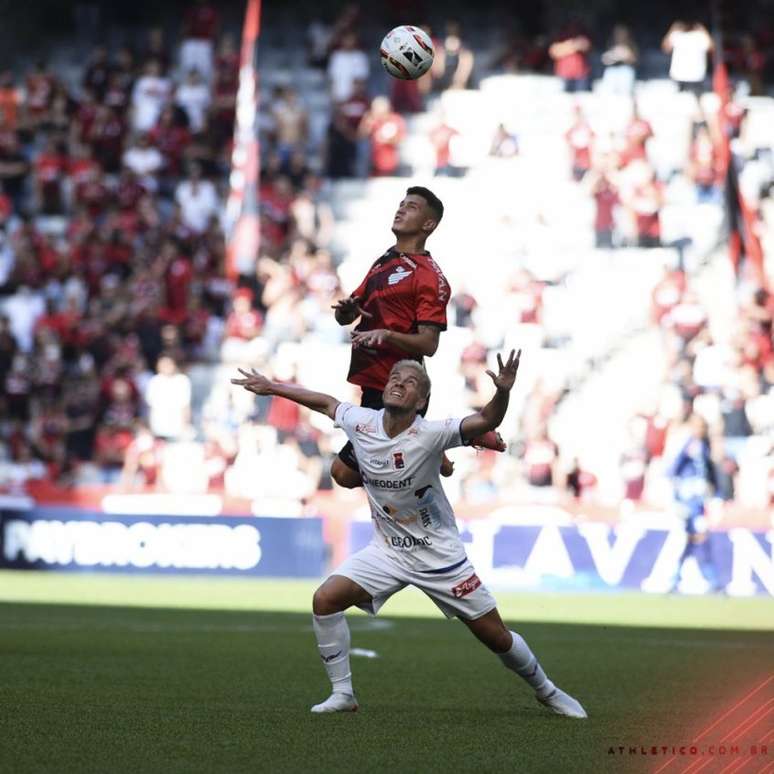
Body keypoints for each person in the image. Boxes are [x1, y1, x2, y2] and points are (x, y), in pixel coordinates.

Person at [232, 352, 587, 719]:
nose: (398, 382)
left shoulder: (431, 434)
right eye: (394, 378)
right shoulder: (361, 422)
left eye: (410, 381)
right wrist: (272, 387)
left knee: (496, 637)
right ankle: (343, 694)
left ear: (420, 402)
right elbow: (325, 402)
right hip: (387, 552)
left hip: (440, 558)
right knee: (325, 600)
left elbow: (487, 419)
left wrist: (503, 392)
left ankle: (547, 691)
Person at [329, 186, 505, 490]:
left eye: (411, 207)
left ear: (428, 224)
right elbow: (348, 315)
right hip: (372, 382)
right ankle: (438, 444)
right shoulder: (384, 260)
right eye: (401, 204)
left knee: (343, 474)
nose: (401, 209)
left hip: (398, 388)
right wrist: (346, 312)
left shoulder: (430, 278)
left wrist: (386, 335)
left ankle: (440, 440)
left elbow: (429, 344)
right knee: (360, 470)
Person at [667, 413, 722, 593]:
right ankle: (710, 579)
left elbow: (710, 473)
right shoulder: (689, 445)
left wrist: (716, 493)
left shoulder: (703, 445)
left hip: (700, 500)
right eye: (698, 426)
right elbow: (673, 469)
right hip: (690, 501)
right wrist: (678, 496)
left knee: (694, 540)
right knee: (699, 537)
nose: (700, 430)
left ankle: (676, 579)